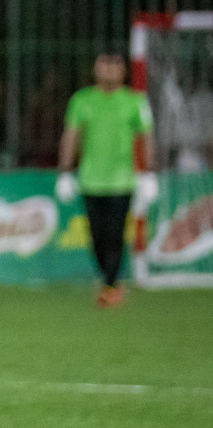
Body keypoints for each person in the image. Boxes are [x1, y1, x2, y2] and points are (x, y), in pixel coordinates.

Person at [56, 50, 157, 308]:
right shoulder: (82, 100)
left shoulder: (135, 101)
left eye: (114, 66)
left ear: (123, 70)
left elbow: (147, 137)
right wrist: (65, 171)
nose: (109, 71)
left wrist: (149, 173)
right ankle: (109, 280)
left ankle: (110, 286)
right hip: (90, 180)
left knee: (114, 234)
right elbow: (71, 135)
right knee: (97, 237)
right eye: (104, 65)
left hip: (122, 181)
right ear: (96, 69)